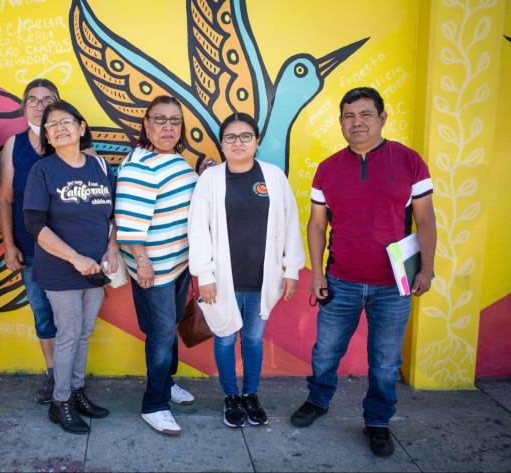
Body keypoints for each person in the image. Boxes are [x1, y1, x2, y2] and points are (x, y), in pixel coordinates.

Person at [290, 87, 437, 457]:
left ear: (382, 118)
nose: (357, 123)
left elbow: (425, 220)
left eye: (366, 114)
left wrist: (428, 269)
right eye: (349, 116)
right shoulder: (328, 169)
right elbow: (316, 225)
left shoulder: (410, 162)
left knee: (386, 362)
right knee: (325, 352)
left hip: (393, 285)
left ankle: (377, 421)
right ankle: (318, 400)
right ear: (340, 122)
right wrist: (319, 275)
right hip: (341, 280)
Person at [188, 113, 305, 428]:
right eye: (230, 137)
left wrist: (291, 268)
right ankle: (231, 397)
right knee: (225, 338)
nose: (238, 143)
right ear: (222, 143)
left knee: (253, 339)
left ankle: (250, 395)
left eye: (245, 136)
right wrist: (205, 275)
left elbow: (291, 223)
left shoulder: (273, 177)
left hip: (261, 279)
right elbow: (197, 229)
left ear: (257, 141)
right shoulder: (210, 180)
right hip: (223, 280)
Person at [23, 100, 117, 434]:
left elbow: (110, 215)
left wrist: (112, 247)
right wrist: (74, 258)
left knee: (85, 333)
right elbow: (35, 224)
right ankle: (59, 402)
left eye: (67, 122)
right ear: (47, 136)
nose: (61, 128)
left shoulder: (100, 167)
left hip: (94, 270)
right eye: (52, 125)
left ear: (81, 127)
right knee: (69, 335)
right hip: (61, 270)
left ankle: (76, 392)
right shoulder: (43, 170)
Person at [115, 96, 199, 435]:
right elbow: (128, 223)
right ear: (146, 124)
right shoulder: (140, 166)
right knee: (162, 334)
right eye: (160, 120)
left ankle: (166, 383)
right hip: (155, 269)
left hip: (176, 265)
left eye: (174, 121)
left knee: (167, 329)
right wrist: (143, 262)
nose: (167, 127)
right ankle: (154, 404)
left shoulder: (175, 159)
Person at [0, 78, 60, 404]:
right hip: (30, 248)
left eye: (47, 99)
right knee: (42, 313)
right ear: (23, 106)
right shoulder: (13, 145)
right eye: (32, 99)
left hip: (69, 251)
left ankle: (71, 380)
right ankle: (53, 375)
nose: (39, 104)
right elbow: (4, 198)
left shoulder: (68, 141)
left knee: (72, 318)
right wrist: (9, 244)